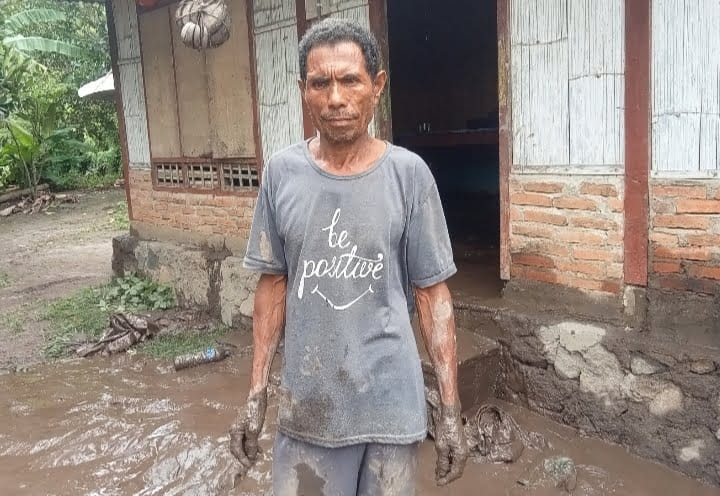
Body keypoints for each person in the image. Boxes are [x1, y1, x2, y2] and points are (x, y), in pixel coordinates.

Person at [229, 17, 467, 496]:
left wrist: (450, 410)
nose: (335, 98)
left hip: (391, 409)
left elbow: (431, 296)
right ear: (303, 90)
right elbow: (272, 286)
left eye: (350, 80)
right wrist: (256, 393)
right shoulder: (281, 174)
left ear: (376, 87)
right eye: (321, 83)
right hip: (310, 408)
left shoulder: (410, 176)